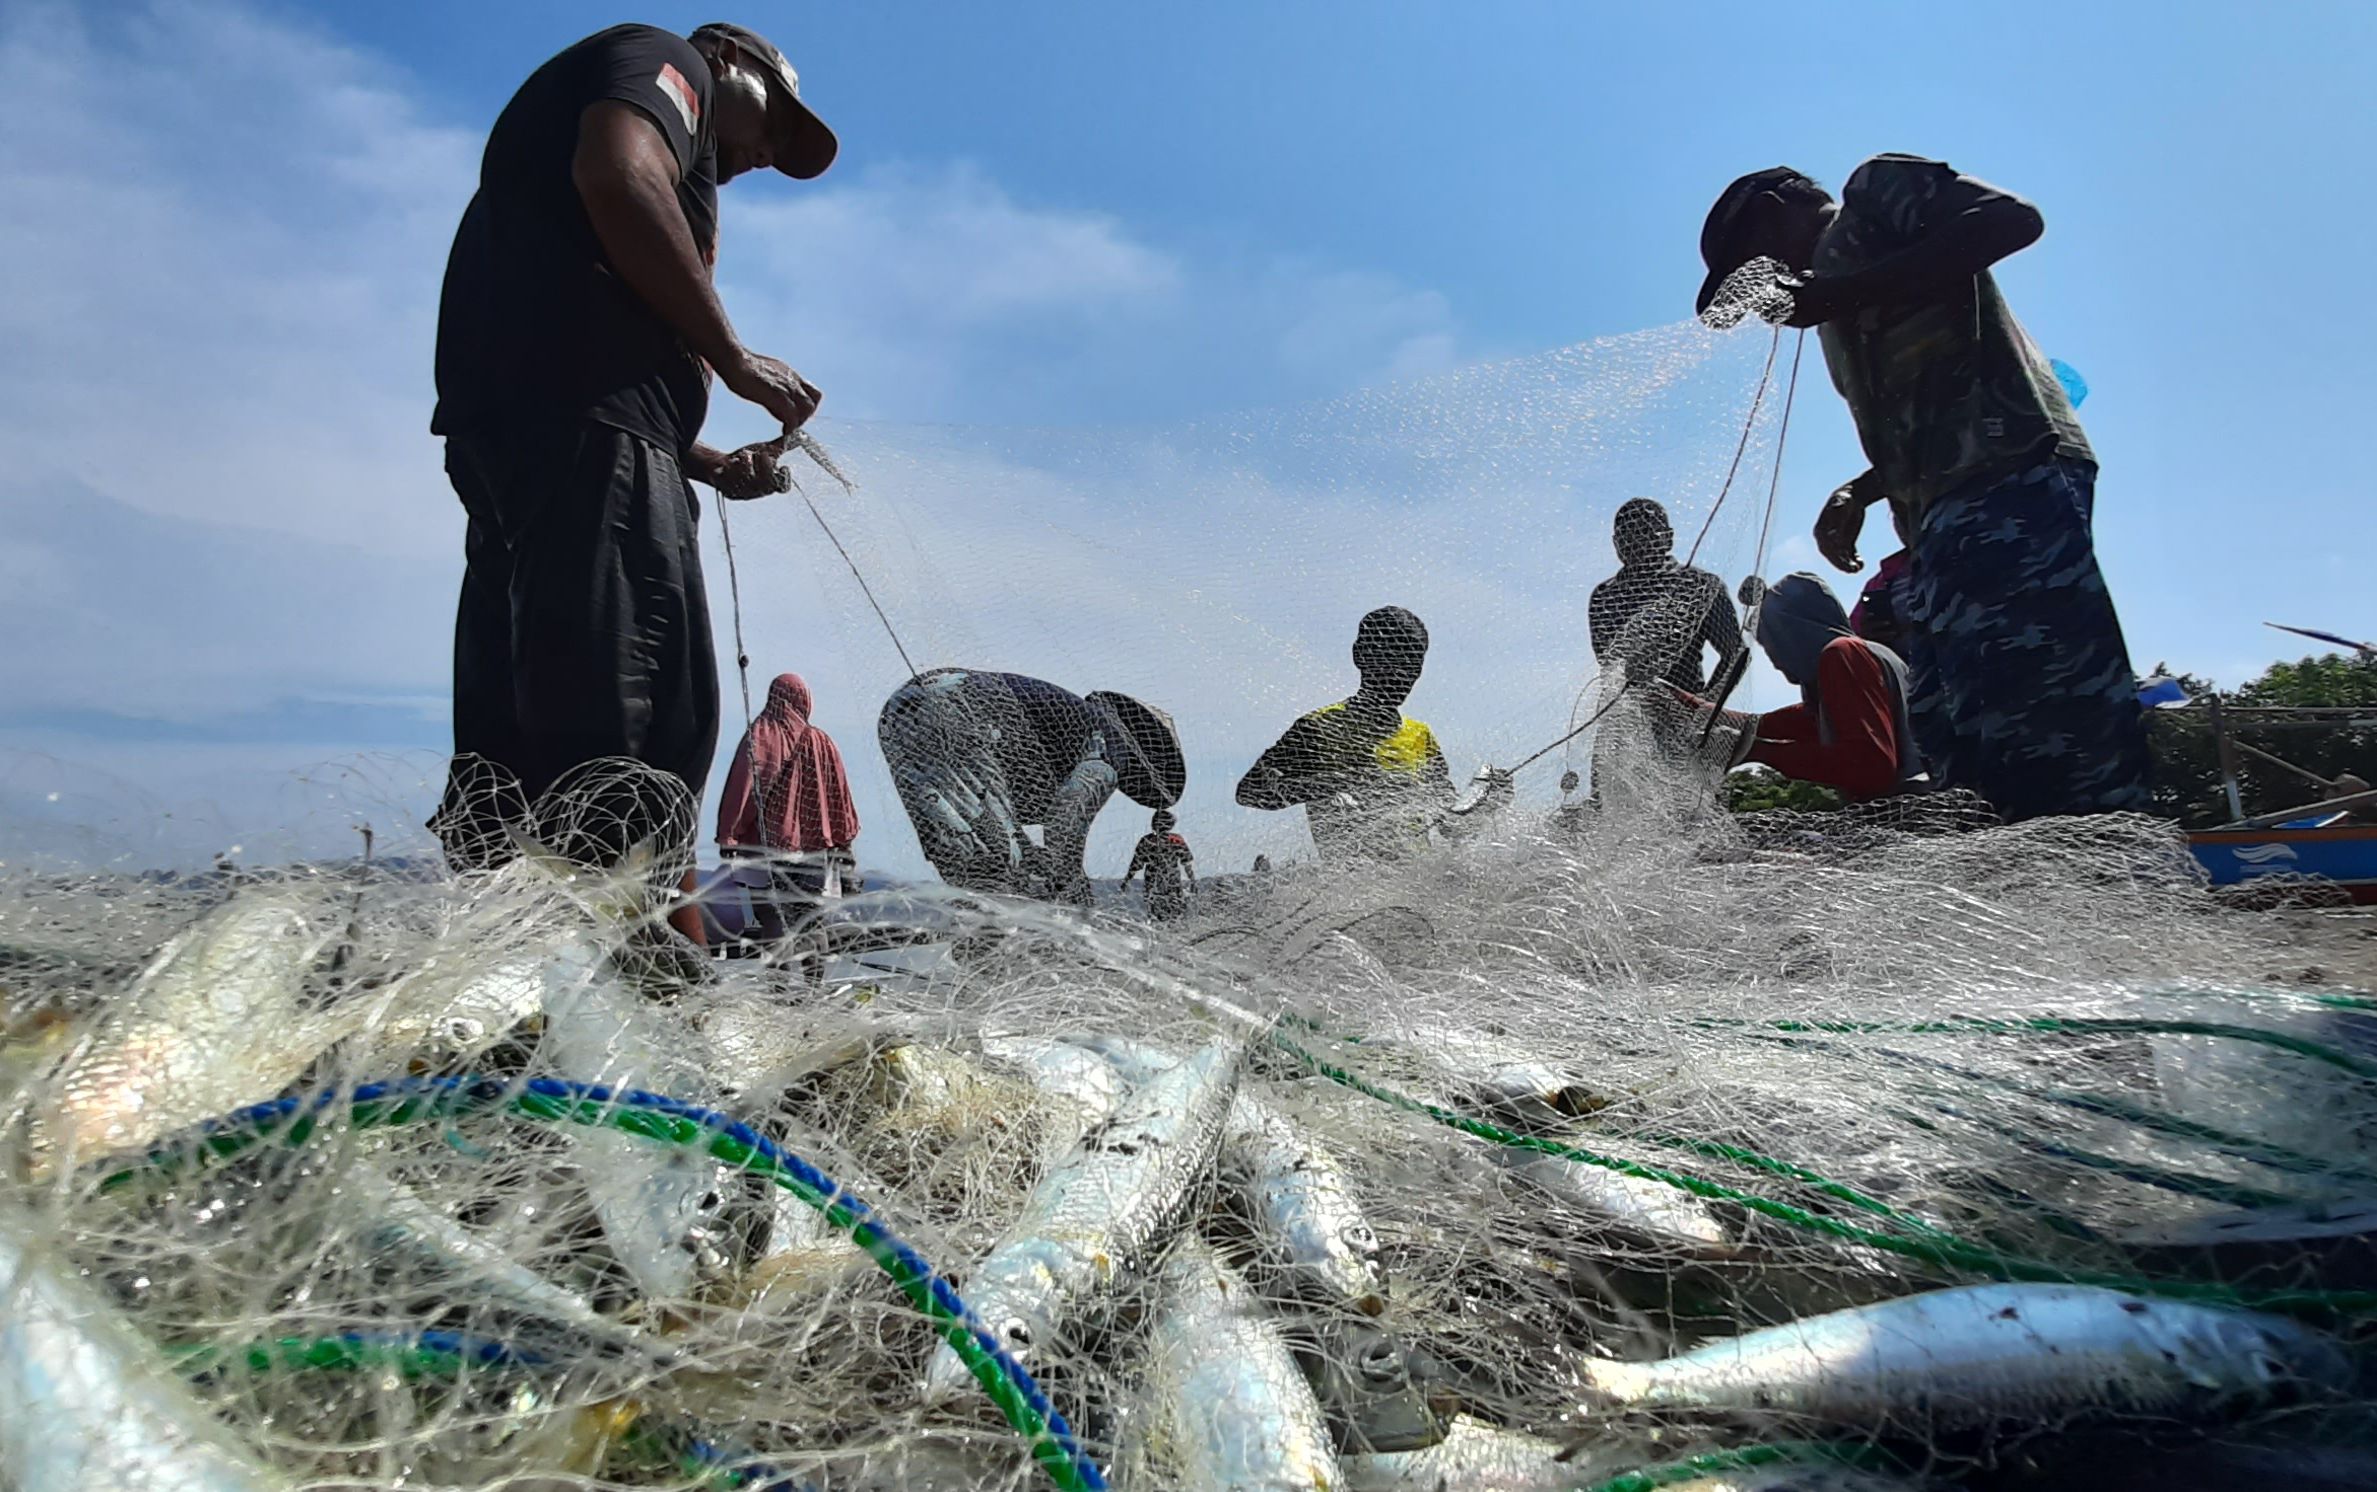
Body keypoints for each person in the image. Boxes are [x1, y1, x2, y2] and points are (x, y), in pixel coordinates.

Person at [427, 22, 839, 883]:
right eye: (774, 123)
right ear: (731, 59)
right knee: (640, 736)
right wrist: (734, 359)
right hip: (592, 454)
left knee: (521, 738)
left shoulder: (571, 206)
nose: (767, 152)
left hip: (546, 446)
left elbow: (577, 355)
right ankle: (650, 994)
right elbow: (618, 172)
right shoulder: (669, 61)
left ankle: (497, 966)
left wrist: (706, 460)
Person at [1694, 158, 2151, 822]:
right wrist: (1861, 490)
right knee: (1952, 710)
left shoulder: (1872, 194)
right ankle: (2018, 869)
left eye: (1750, 264)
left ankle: (2108, 860)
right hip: (1938, 514)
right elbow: (1927, 413)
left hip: (2009, 471)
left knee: (2043, 693)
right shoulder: (1830, 309)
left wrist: (1837, 292)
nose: (1763, 291)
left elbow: (2012, 220)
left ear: (1771, 210)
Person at [878, 669, 1185, 907]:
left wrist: (1034, 861)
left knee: (967, 855)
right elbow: (1066, 818)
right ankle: (1002, 954)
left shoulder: (1069, 722)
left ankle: (987, 951)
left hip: (901, 710)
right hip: (961, 711)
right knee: (992, 867)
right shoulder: (1109, 746)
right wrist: (1069, 883)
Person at [1237, 607, 1511, 861]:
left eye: (1413, 661)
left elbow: (1451, 825)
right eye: (1391, 658)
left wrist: (1487, 803)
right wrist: (1329, 784)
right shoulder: (1316, 728)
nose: (1402, 673)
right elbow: (1250, 791)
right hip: (1350, 888)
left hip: (1419, 882)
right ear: (1360, 656)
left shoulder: (1420, 736)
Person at [1696, 573, 1924, 803]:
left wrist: (1755, 750)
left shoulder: (1843, 656)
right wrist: (1679, 701)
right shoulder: (1857, 662)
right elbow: (1759, 725)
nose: (1774, 662)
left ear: (1795, 633)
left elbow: (1871, 766)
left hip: (1909, 817)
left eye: (1770, 643)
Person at [715, 673, 859, 951]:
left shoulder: (759, 736)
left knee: (771, 916)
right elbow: (839, 795)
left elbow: (742, 789)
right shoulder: (822, 742)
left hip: (767, 846)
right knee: (811, 919)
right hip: (816, 846)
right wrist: (844, 839)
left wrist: (729, 835)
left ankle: (778, 989)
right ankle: (813, 988)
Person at [1588, 499, 1743, 695]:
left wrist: (1707, 705)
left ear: (1667, 538)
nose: (1636, 542)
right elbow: (1608, 662)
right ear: (1616, 543)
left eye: (1645, 532)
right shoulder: (1604, 596)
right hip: (1623, 710)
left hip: (1683, 707)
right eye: (1626, 535)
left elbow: (1735, 654)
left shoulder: (1699, 585)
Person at [1125, 812, 1197, 921]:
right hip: (1172, 881)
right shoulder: (1176, 839)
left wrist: (1126, 881)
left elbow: (1136, 864)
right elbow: (1186, 863)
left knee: (1155, 911)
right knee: (1176, 910)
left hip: (1153, 882)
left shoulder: (1147, 840)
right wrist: (1192, 880)